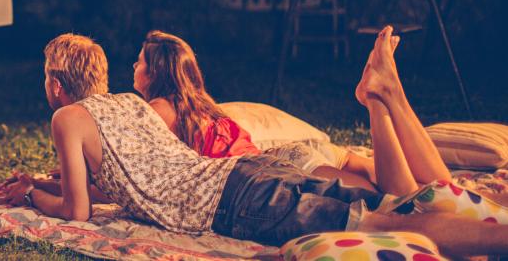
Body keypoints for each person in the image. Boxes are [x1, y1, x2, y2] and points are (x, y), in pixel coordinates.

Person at [0, 28, 508, 257]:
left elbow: (75, 212)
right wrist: (37, 181)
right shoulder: (129, 104)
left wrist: (32, 196)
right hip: (250, 174)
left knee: (389, 225)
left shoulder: (67, 119)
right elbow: (120, 186)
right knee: (396, 204)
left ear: (54, 83)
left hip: (237, 201)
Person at [133, 30, 508, 206]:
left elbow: (139, 166)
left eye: (140, 62)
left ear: (155, 73)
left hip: (288, 165)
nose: (134, 67)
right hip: (312, 153)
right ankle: (389, 96)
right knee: (441, 192)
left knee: (396, 203)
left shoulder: (160, 110)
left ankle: (377, 101)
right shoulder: (204, 106)